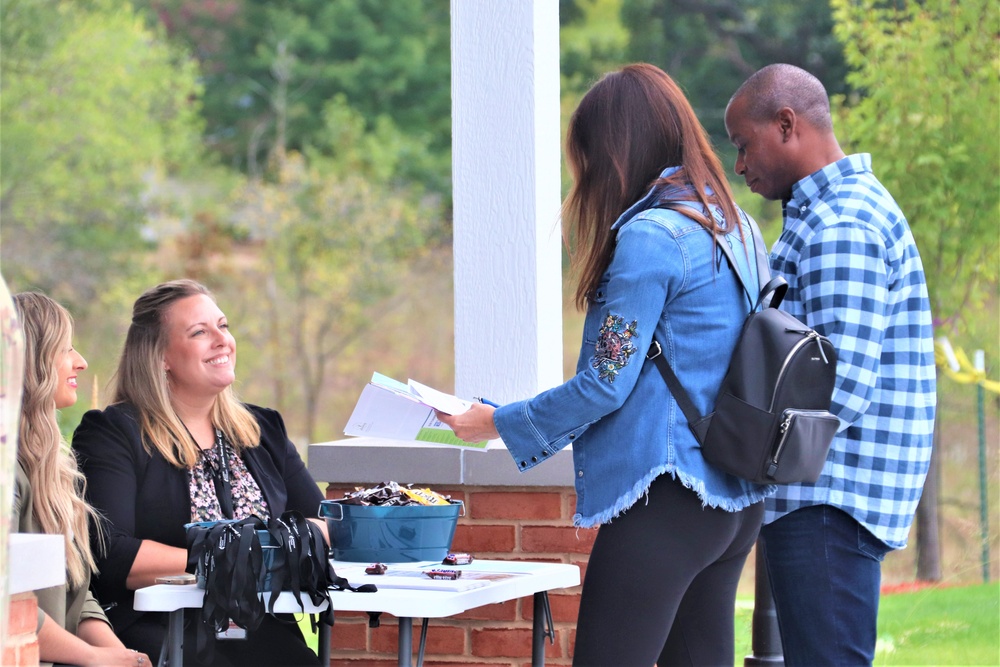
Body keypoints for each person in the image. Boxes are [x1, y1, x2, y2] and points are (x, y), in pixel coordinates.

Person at [438, 63, 774, 667]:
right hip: (732, 499)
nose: (586, 177)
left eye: (588, 158)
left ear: (616, 152)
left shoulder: (653, 236)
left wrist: (494, 421)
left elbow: (604, 381)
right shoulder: (736, 225)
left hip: (667, 496)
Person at [724, 63, 936, 665]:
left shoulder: (842, 224)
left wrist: (738, 447)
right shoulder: (828, 213)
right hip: (823, 493)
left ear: (787, 123)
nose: (740, 165)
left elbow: (836, 390)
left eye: (744, 144)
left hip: (827, 497)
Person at [72, 279, 327, 666]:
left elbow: (323, 525)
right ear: (161, 357)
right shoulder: (114, 432)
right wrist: (232, 560)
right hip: (161, 627)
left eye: (223, 326)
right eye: (199, 332)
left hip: (259, 625)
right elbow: (110, 554)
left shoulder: (263, 430)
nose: (222, 340)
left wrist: (253, 556)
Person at [12, 292, 152, 667]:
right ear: (27, 361)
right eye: (65, 350)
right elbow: (6, 604)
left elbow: (75, 591)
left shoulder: (53, 465)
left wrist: (119, 656)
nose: (81, 362)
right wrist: (91, 658)